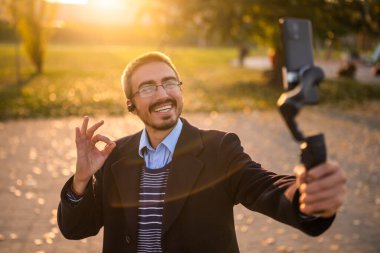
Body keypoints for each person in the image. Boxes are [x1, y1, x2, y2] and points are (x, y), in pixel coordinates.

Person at [58, 52, 346, 253]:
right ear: (131, 104)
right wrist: (81, 179)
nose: (162, 94)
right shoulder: (115, 155)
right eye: (147, 87)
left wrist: (305, 197)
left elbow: (265, 187)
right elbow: (76, 228)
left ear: (181, 91)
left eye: (169, 82)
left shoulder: (218, 149)